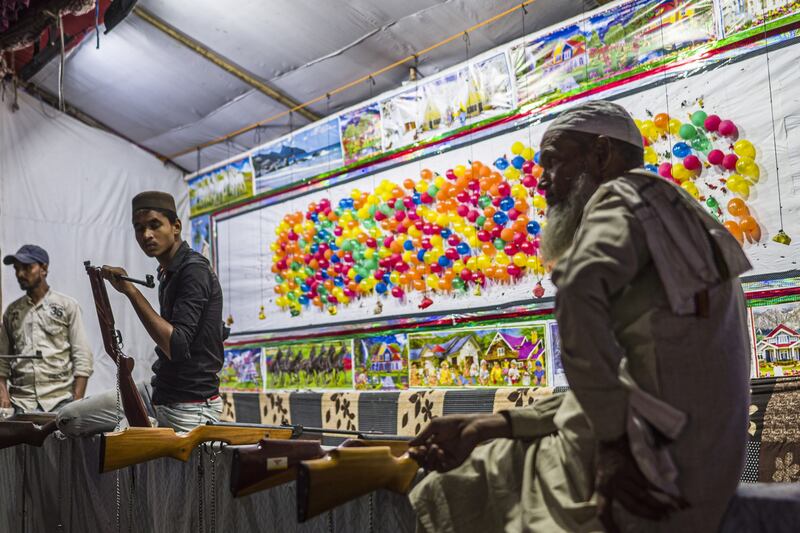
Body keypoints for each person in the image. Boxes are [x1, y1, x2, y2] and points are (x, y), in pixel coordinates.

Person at [408, 101, 751, 533]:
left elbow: (576, 291)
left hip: (641, 476)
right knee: (482, 458)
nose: (544, 183)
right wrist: (493, 424)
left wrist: (612, 446)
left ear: (601, 155)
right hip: (689, 472)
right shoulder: (671, 210)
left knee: (448, 487)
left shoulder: (621, 195)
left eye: (553, 162)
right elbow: (631, 377)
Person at [57, 191, 225, 435]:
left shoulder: (193, 271)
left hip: (190, 405)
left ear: (175, 226)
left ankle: (145, 429)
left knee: (146, 460)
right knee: (67, 419)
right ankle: (143, 425)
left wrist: (131, 292)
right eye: (139, 228)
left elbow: (176, 347)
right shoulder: (167, 271)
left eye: (154, 225)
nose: (146, 235)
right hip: (159, 391)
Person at [0, 245, 93, 416]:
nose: (20, 274)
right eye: (17, 269)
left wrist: (76, 403)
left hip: (59, 402)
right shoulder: (12, 312)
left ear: (44, 268)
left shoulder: (67, 306)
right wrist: (3, 395)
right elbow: (2, 360)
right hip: (20, 403)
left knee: (59, 443)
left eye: (27, 267)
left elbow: (83, 357)